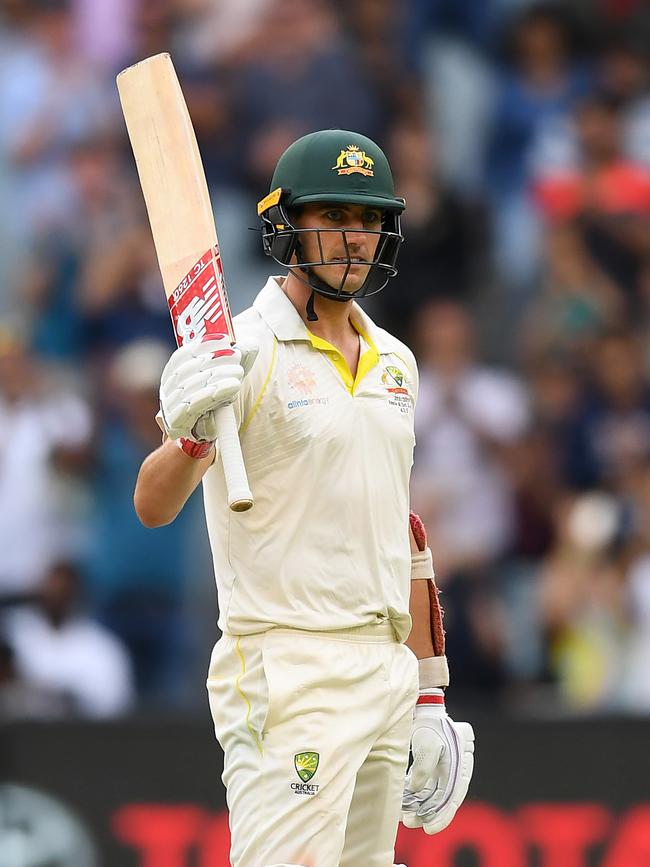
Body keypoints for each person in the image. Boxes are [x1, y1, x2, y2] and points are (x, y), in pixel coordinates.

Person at [134, 129, 474, 867]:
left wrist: (428, 691)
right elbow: (153, 504)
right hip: (287, 669)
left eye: (368, 219)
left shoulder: (397, 363)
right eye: (335, 217)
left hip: (383, 670)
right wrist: (189, 441)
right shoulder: (238, 352)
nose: (355, 238)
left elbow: (401, 536)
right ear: (287, 224)